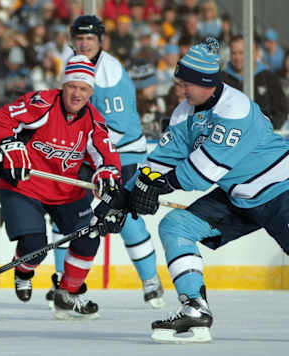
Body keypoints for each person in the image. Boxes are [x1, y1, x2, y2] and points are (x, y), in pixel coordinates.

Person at [130, 38, 289, 343]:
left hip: (280, 189)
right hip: (238, 197)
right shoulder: (183, 114)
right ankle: (194, 308)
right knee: (176, 226)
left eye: (187, 82)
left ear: (206, 82)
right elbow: (158, 163)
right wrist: (124, 195)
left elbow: (203, 172)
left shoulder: (235, 108)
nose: (181, 87)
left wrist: (156, 187)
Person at [0, 55, 125, 319]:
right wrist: (10, 145)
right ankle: (24, 270)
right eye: (72, 86)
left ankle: (67, 295)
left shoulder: (94, 120)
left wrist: (107, 171)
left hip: (66, 191)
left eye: (83, 88)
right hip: (24, 185)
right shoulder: (42, 103)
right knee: (35, 245)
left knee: (89, 236)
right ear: (63, 86)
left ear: (90, 92)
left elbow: (106, 154)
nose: (77, 93)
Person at [46, 15, 165, 309]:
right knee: (68, 211)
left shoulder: (109, 72)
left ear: (101, 41)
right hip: (91, 150)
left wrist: (76, 144)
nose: (84, 43)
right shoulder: (73, 62)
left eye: (90, 38)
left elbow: (118, 126)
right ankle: (63, 279)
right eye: (79, 37)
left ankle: (150, 280)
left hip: (123, 153)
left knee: (124, 216)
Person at [221, 35, 288, 130]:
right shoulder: (222, 79)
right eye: (234, 53)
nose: (237, 57)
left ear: (254, 53)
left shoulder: (268, 77)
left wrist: (269, 128)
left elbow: (281, 109)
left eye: (241, 53)